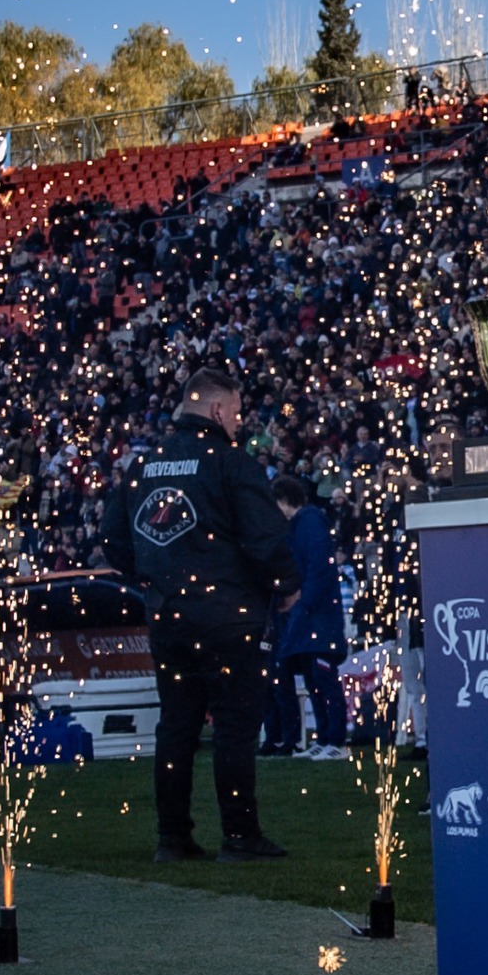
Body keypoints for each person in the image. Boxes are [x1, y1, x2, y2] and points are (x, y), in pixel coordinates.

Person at [100, 367, 299, 862]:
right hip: (229, 615)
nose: (238, 422)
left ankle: (172, 837)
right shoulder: (231, 464)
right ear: (216, 410)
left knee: (177, 726)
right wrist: (286, 586)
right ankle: (239, 835)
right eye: (234, 412)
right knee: (234, 726)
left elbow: (113, 540)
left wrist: (155, 575)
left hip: (169, 616)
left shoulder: (144, 464)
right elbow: (264, 537)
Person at [265, 475, 349, 760]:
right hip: (311, 616)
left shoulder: (311, 522)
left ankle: (336, 741)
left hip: (320, 616)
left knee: (324, 678)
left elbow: (319, 570)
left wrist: (303, 604)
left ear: (285, 500)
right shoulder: (298, 526)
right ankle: (324, 738)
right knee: (314, 679)